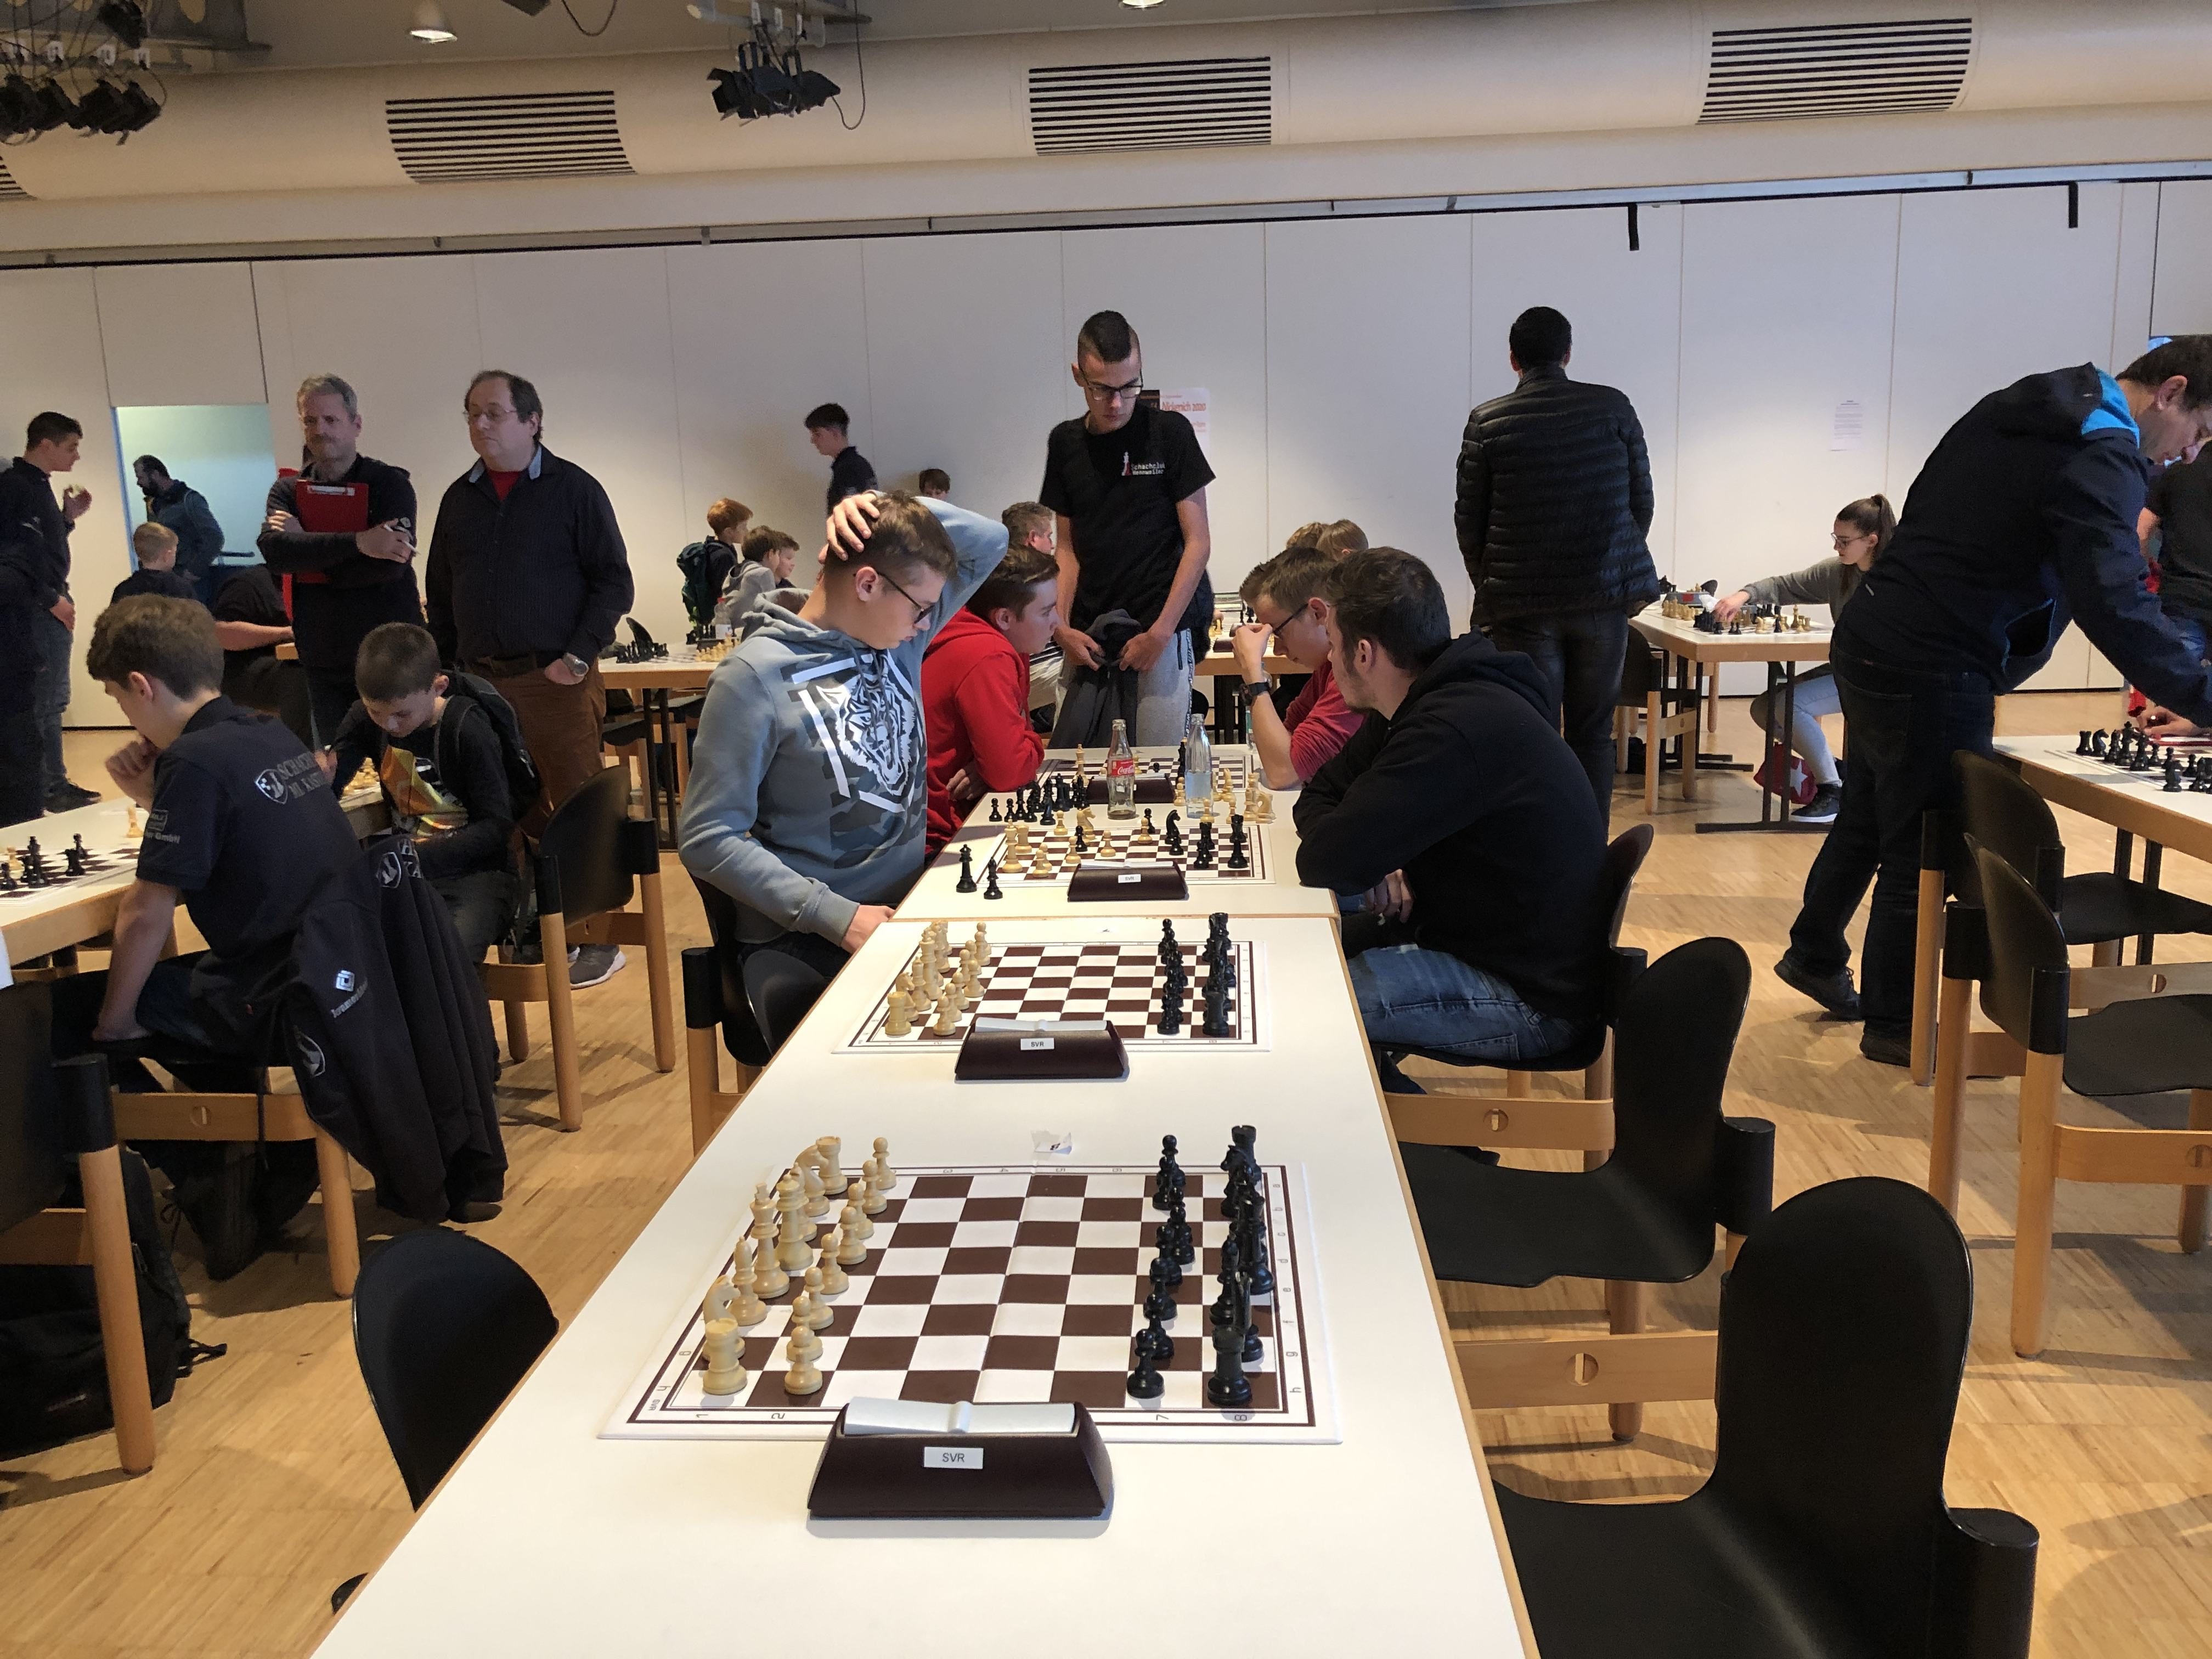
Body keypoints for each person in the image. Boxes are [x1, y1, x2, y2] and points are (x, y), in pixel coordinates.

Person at [1779, 340, 2212, 1064]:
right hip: (1935, 656)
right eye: (2199, 431)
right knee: (1927, 846)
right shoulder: (2102, 450)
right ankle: (1897, 1025)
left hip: (1878, 629)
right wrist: (2203, 694)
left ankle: (1815, 953)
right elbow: (2113, 601)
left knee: (1870, 814)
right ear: (2170, 392)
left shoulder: (2034, 403)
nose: (2191, 454)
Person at [57, 595, 358, 1270]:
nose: (125, 716)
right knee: (177, 991)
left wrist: (114, 1024)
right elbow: (233, 847)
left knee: (65, 1019)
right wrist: (152, 797)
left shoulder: (193, 761)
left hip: (278, 999)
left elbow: (145, 914)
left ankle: (205, 1180)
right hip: (337, 979)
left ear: (141, 686)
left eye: (118, 699)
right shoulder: (269, 732)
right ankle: (238, 1168)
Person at [1295, 549, 1606, 1082]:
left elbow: (1324, 861)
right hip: (1474, 939)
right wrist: (1379, 857)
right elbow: (1318, 796)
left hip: (1531, 997)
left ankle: (1414, 1137)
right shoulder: (1417, 700)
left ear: (1364, 653)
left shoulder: (1451, 727)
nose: (1329, 658)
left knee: (1307, 1008)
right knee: (1296, 964)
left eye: (1334, 643)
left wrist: (1370, 853)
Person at [680, 491, 1006, 995]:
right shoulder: (751, 677)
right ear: (868, 583)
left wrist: (880, 503)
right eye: (921, 608)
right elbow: (707, 836)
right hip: (809, 938)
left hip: (907, 905)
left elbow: (992, 541)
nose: (928, 623)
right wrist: (838, 917)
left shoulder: (895, 641)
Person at [424, 371, 635, 940]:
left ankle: (595, 936)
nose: (480, 424)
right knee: (501, 813)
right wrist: (447, 669)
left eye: (493, 413)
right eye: (472, 413)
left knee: (575, 808)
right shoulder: (459, 499)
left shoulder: (575, 490)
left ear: (532, 420)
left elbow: (614, 582)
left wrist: (577, 657)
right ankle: (522, 930)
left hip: (554, 682)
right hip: (479, 685)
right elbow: (441, 591)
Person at [1455, 306, 1661, 832]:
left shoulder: (1488, 421)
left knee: (1535, 730)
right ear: (1568, 354)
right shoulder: (1613, 407)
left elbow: (1469, 521)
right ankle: (1592, 849)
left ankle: (1543, 848)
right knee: (1593, 733)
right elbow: (1642, 503)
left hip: (1521, 604)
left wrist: (1493, 585)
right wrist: (1612, 560)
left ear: (1513, 359)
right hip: (1601, 598)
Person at [1041, 309, 1215, 747]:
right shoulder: (1065, 443)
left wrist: (1161, 633)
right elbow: (1067, 550)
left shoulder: (1170, 433)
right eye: (1102, 389)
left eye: (1129, 386)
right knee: (1077, 767)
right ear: (1078, 376)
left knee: (1155, 768)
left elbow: (1198, 543)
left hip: (1157, 631)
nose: (1116, 403)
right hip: (1087, 636)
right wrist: (1060, 626)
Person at [324, 623, 519, 964]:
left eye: (402, 715)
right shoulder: (365, 719)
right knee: (350, 951)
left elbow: (497, 827)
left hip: (478, 875)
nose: (389, 726)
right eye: (376, 712)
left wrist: (419, 857)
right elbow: (332, 782)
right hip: (407, 873)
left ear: (438, 687)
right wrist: (319, 780)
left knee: (446, 960)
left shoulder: (467, 728)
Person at [257, 373, 422, 747]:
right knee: (339, 764)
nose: (320, 430)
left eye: (331, 420)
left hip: (391, 656)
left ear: (356, 424)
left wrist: (307, 546)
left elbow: (387, 566)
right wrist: (362, 541)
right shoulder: (287, 491)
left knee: (402, 766)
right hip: (323, 658)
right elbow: (276, 555)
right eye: (310, 421)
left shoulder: (390, 485)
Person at [1709, 494, 1895, 826]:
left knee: (1789, 705)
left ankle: (1832, 792)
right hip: (1847, 668)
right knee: (1764, 708)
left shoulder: (1896, 580)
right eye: (1835, 538)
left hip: (1883, 677)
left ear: (1871, 541)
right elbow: (1784, 586)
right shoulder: (1838, 571)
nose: (1837, 547)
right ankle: (1839, 773)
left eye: (1844, 541)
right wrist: (1743, 595)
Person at [922, 540, 1057, 853]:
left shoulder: (1002, 642)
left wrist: (994, 764)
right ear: (1004, 618)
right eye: (1046, 612)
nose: (1057, 623)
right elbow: (1009, 772)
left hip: (957, 819)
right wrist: (1005, 759)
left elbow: (1005, 765)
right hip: (947, 838)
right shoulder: (988, 654)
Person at [1, 411, 99, 812]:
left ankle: (52, 782)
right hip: (41, 606)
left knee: (54, 700)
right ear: (46, 445)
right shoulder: (17, 488)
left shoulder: (36, 486)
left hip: (50, 599)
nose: (77, 456)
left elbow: (40, 548)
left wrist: (67, 519)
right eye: (71, 447)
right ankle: (47, 787)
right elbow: (15, 557)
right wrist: (49, 598)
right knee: (44, 702)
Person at [1232, 545, 1368, 788]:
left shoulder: (1354, 671)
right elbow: (1285, 740)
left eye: (1279, 632)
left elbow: (1283, 772)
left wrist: (1254, 677)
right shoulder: (1327, 669)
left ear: (1317, 613)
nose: (1278, 650)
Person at [2139, 447, 2212, 658]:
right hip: (2182, 600)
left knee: (2173, 673)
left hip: (2181, 601)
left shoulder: (2178, 472)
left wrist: (2146, 574)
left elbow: (2140, 532)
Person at [132, 455, 225, 605]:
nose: (138, 483)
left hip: (192, 585)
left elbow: (214, 537)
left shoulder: (190, 500)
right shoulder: (155, 504)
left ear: (155, 474)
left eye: (140, 477)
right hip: (166, 583)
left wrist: (193, 571)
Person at [209, 563, 294, 713]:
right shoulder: (248, 583)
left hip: (291, 660)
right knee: (304, 675)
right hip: (246, 671)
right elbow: (223, 634)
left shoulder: (308, 585)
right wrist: (285, 633)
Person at [678, 497, 752, 630]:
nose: (747, 531)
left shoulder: (715, 547)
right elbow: (724, 593)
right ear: (729, 532)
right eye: (743, 527)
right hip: (720, 621)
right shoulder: (723, 556)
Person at [715, 526, 802, 629]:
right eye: (778, 554)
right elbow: (771, 614)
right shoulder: (763, 574)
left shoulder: (738, 571)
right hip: (744, 631)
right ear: (770, 554)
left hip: (725, 630)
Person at [805, 403, 877, 512]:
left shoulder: (849, 469)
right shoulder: (856, 463)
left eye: (817, 434)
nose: (813, 440)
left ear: (836, 434)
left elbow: (855, 514)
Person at [111, 522, 202, 605]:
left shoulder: (123, 590)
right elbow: (196, 617)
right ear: (167, 555)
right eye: (174, 553)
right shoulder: (182, 589)